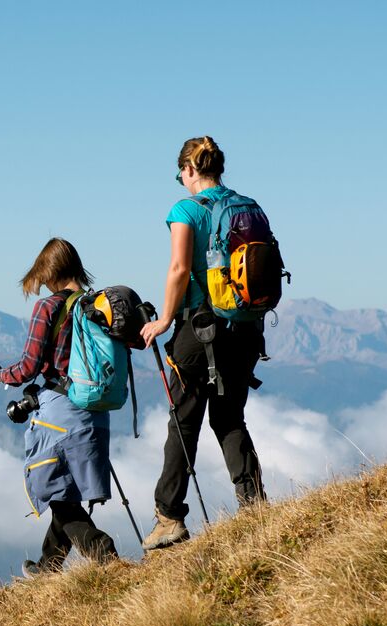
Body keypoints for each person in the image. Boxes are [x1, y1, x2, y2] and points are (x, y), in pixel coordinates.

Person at [138, 135, 267, 549]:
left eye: (181, 172)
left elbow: (178, 269)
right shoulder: (248, 206)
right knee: (229, 417)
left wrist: (163, 319)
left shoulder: (186, 209)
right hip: (245, 328)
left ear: (189, 170)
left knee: (183, 420)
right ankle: (254, 504)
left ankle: (169, 516)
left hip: (200, 329)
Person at [0, 238, 118, 576]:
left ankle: (104, 553)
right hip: (96, 411)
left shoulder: (49, 307)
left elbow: (29, 366)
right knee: (66, 490)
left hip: (60, 414)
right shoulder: (99, 305)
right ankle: (48, 566)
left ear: (51, 272)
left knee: (54, 488)